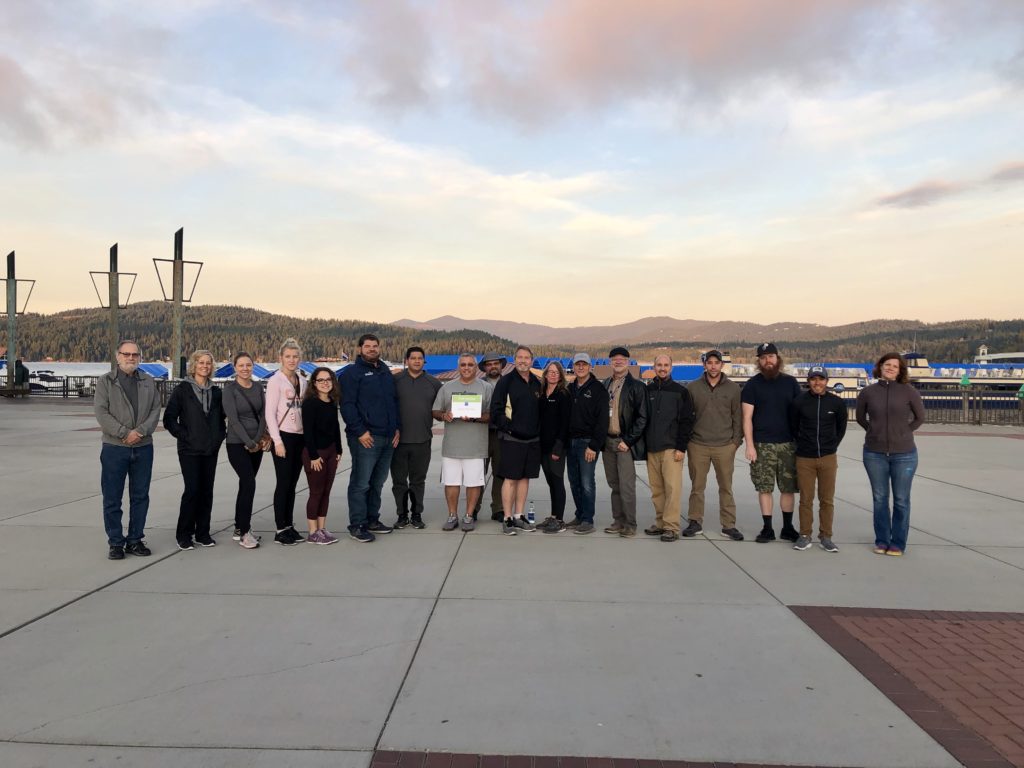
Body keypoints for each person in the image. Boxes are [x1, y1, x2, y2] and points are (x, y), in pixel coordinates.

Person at [94, 340, 161, 560]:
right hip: (114, 448)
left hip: (143, 447)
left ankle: (135, 540)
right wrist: (124, 433)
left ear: (140, 357)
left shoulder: (149, 381)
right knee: (112, 497)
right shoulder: (106, 382)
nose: (131, 358)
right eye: (126, 354)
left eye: (135, 355)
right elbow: (102, 414)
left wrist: (140, 431)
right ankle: (115, 542)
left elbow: (155, 410)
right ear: (117, 356)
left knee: (140, 496)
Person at [856, 353, 925, 557]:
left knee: (902, 499)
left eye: (895, 366)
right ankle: (882, 540)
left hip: (904, 454)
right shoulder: (868, 392)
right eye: (888, 364)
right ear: (880, 366)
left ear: (900, 370)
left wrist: (904, 432)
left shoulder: (909, 391)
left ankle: (898, 543)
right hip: (874, 453)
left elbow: (920, 418)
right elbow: (860, 418)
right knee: (880, 498)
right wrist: (874, 432)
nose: (891, 368)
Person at [163, 350, 226, 551]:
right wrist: (185, 435)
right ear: (194, 365)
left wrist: (219, 437)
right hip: (189, 450)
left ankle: (203, 533)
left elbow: (222, 419)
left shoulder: (216, 392)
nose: (205, 366)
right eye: (201, 362)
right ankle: (184, 534)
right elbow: (169, 419)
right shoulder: (182, 390)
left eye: (208, 363)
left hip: (210, 449)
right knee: (192, 490)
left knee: (207, 491)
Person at [340, 334, 400, 542]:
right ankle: (357, 524)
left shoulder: (384, 372)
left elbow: (393, 403)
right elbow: (347, 406)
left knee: (378, 482)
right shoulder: (351, 374)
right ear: (359, 349)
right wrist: (360, 431)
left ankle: (372, 519)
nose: (372, 349)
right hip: (366, 437)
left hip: (388, 437)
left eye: (375, 346)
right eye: (368, 346)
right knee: (361, 482)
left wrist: (396, 428)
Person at [742, 342, 802, 543]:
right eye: (763, 357)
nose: (768, 360)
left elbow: (800, 414)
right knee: (764, 487)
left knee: (788, 488)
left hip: (788, 444)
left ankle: (787, 527)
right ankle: (767, 528)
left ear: (778, 358)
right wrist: (749, 445)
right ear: (759, 361)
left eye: (771, 357)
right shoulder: (752, 385)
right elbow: (746, 418)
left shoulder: (791, 383)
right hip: (762, 444)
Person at [685, 349, 745, 541]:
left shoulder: (733, 389)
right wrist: (688, 441)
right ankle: (695, 522)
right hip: (698, 444)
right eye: (709, 362)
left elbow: (738, 416)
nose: (713, 366)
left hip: (724, 446)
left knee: (726, 486)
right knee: (697, 487)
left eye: (716, 362)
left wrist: (735, 442)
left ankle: (728, 525)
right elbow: (686, 417)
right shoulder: (693, 388)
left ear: (721, 365)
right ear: (704, 364)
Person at [790, 366, 848, 553]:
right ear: (808, 381)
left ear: (826, 381)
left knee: (827, 499)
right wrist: (802, 445)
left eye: (820, 379)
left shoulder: (837, 404)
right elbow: (793, 427)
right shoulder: (799, 402)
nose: (817, 382)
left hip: (828, 457)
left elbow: (841, 428)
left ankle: (826, 536)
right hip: (805, 457)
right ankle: (804, 535)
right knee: (806, 499)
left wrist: (831, 445)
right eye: (813, 379)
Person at [432, 353, 492, 532]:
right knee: (451, 482)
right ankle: (452, 515)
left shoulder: (486, 387)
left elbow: (492, 415)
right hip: (452, 445)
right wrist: (444, 415)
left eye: (470, 365)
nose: (466, 368)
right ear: (459, 367)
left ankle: (468, 515)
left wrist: (475, 418)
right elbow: (435, 410)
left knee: (474, 483)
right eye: (463, 365)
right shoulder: (447, 387)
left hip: (476, 445)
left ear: (476, 367)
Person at [490, 345, 543, 535]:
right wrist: (509, 428)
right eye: (519, 357)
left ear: (531, 360)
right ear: (514, 360)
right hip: (512, 439)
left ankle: (520, 516)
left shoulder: (536, 382)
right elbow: (496, 409)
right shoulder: (506, 382)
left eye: (526, 358)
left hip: (532, 440)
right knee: (510, 479)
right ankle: (508, 518)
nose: (523, 361)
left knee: (524, 478)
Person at [643, 355, 695, 542]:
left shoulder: (680, 392)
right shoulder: (647, 390)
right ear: (654, 367)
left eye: (666, 365)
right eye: (659, 365)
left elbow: (686, 421)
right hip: (652, 448)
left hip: (672, 449)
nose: (662, 368)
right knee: (657, 489)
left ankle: (671, 526)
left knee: (672, 489)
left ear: (671, 367)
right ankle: (660, 522)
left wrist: (681, 447)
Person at [391, 346, 442, 529]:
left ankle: (417, 514)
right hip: (398, 442)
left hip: (422, 440)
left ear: (424, 361)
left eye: (420, 358)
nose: (417, 361)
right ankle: (402, 515)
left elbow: (441, 408)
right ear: (406, 360)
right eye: (413, 358)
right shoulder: (395, 380)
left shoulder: (433, 383)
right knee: (399, 481)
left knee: (418, 481)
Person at [222, 352, 268, 550]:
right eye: (241, 365)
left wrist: (257, 439)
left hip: (256, 443)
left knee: (246, 484)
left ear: (253, 366)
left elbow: (264, 414)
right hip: (237, 443)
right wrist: (248, 442)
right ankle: (245, 532)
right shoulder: (229, 389)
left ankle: (239, 527)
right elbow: (233, 419)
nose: (245, 369)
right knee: (249, 482)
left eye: (248, 365)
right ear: (234, 368)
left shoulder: (258, 387)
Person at [602, 347, 648, 537]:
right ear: (610, 362)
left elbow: (642, 418)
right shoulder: (606, 384)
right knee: (614, 485)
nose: (618, 361)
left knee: (627, 485)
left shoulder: (637, 387)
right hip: (608, 442)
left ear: (628, 362)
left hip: (624, 443)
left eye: (622, 359)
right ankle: (618, 520)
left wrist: (628, 441)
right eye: (614, 359)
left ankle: (630, 524)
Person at [266, 338, 307, 546]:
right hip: (284, 436)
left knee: (292, 483)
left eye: (295, 356)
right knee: (283, 482)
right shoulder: (276, 381)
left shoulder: (302, 379)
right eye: (288, 356)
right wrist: (277, 441)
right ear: (281, 358)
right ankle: (280, 528)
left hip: (300, 437)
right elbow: (270, 413)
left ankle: (289, 525)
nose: (292, 360)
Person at [565, 353, 609, 534]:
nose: (580, 367)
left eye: (584, 364)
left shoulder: (598, 389)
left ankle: (587, 519)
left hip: (587, 443)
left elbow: (603, 421)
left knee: (586, 482)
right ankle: (580, 514)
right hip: (571, 442)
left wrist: (594, 445)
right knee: (574, 481)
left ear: (590, 367)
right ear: (573, 367)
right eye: (577, 364)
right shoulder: (570, 388)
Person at [302, 367, 343, 544]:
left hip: (331, 451)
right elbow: (308, 432)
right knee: (316, 492)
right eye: (321, 380)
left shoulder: (332, 401)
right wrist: (313, 456)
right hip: (316, 453)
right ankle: (312, 532)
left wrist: (339, 450)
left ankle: (322, 528)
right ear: (314, 383)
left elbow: (335, 428)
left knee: (326, 492)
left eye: (328, 379)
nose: (325, 383)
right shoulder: (310, 403)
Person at [536, 360, 571, 533]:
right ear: (545, 374)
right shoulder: (542, 393)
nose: (553, 374)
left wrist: (559, 447)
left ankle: (559, 520)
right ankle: (553, 515)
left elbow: (565, 424)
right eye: (550, 372)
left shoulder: (563, 394)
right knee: (551, 482)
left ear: (561, 375)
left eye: (556, 372)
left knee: (557, 481)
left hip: (556, 447)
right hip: (542, 445)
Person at [474, 352, 508, 521]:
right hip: (481, 433)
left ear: (501, 365)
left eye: (496, 363)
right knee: (478, 473)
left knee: (500, 473)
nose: (493, 366)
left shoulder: (509, 383)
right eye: (489, 364)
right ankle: (473, 508)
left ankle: (498, 509)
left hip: (502, 434)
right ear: (485, 368)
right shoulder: (477, 385)